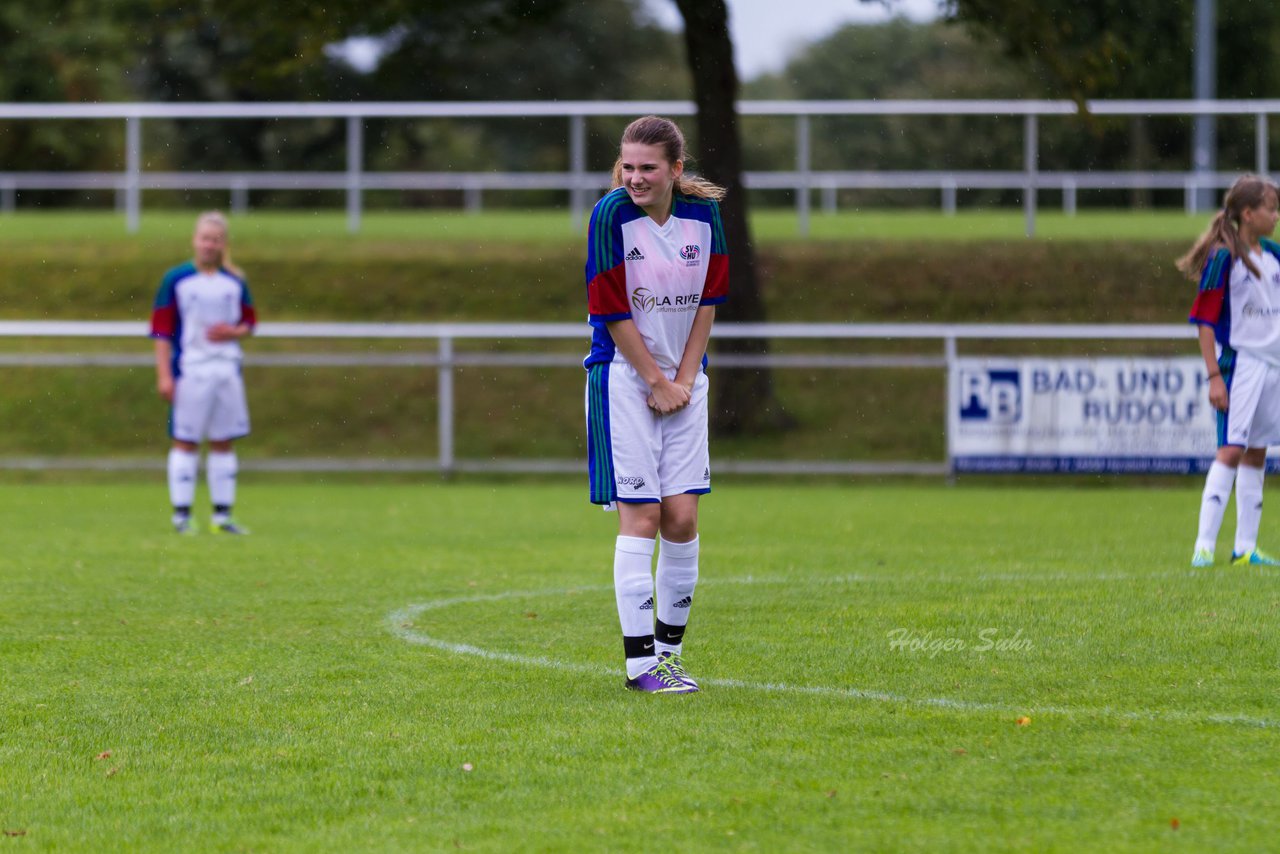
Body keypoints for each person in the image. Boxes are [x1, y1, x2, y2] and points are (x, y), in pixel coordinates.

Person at [583, 116, 729, 693]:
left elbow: (707, 302)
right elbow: (611, 310)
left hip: (685, 384)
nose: (635, 177)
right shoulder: (610, 215)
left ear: (675, 169)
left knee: (683, 517)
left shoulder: (704, 217)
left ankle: (669, 657)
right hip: (622, 380)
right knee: (642, 516)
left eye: (648, 167)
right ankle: (641, 666)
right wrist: (654, 380)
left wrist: (685, 379)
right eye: (628, 166)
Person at [1181, 174, 1280, 567]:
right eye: (1271, 208)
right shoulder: (1224, 257)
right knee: (1231, 450)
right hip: (1240, 366)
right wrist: (1213, 376)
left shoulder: (1272, 254)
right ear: (1248, 213)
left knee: (1257, 452)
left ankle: (1245, 548)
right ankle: (1203, 547)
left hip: (1273, 367)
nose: (1276, 215)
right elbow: (1204, 320)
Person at [150, 211, 257, 535]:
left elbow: (250, 323)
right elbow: (161, 330)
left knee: (223, 441)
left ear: (224, 244)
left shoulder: (235, 281)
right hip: (191, 371)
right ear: (195, 240)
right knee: (185, 441)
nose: (209, 244)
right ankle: (182, 515)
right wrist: (164, 375)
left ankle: (222, 517)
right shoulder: (177, 279)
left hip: (226, 370)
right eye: (204, 238)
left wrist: (234, 332)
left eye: (216, 239)